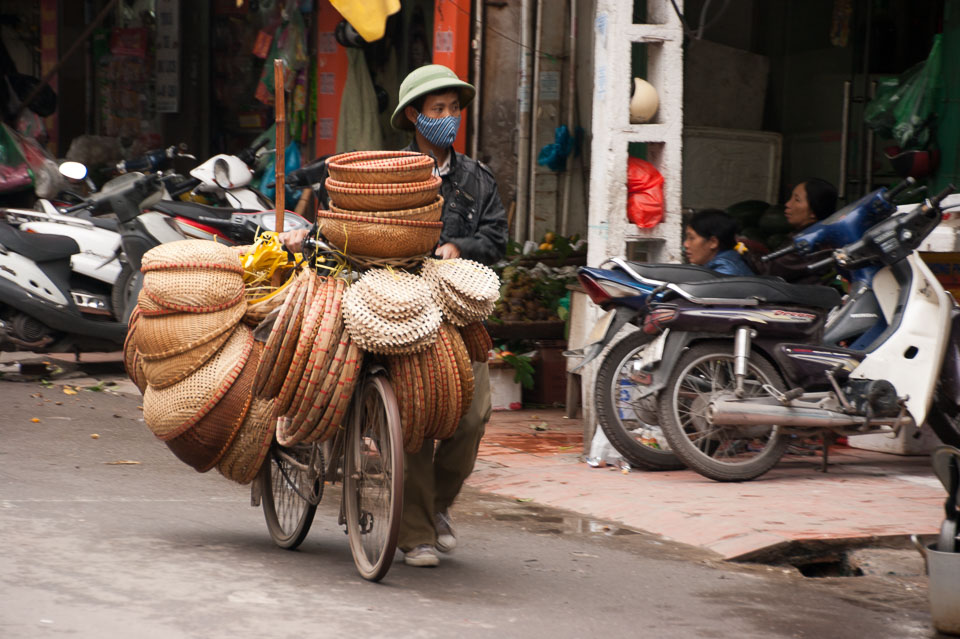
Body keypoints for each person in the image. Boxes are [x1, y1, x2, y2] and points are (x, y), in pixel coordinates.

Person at [282, 64, 507, 568]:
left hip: (457, 313)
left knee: (471, 418)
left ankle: (438, 508)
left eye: (453, 109)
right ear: (414, 116)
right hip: (396, 309)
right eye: (437, 109)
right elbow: (347, 226)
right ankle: (416, 534)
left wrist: (458, 246)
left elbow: (497, 240)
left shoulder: (477, 179)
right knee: (413, 420)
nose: (447, 117)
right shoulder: (386, 172)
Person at [755, 178, 838, 284]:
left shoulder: (810, 244)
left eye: (797, 200)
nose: (788, 204)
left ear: (814, 211)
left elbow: (768, 270)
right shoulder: (808, 235)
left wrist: (741, 249)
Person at [683, 209, 754, 276]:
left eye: (691, 238)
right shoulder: (722, 265)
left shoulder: (725, 271)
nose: (686, 244)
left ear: (713, 242)